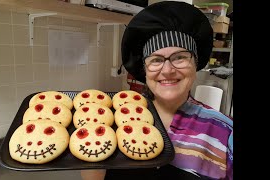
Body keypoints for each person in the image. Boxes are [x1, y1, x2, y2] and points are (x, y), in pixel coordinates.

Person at [81, 1, 233, 179]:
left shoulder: (224, 131)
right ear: (144, 70)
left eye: (180, 57)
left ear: (195, 63)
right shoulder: (114, 119)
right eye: (156, 60)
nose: (167, 70)